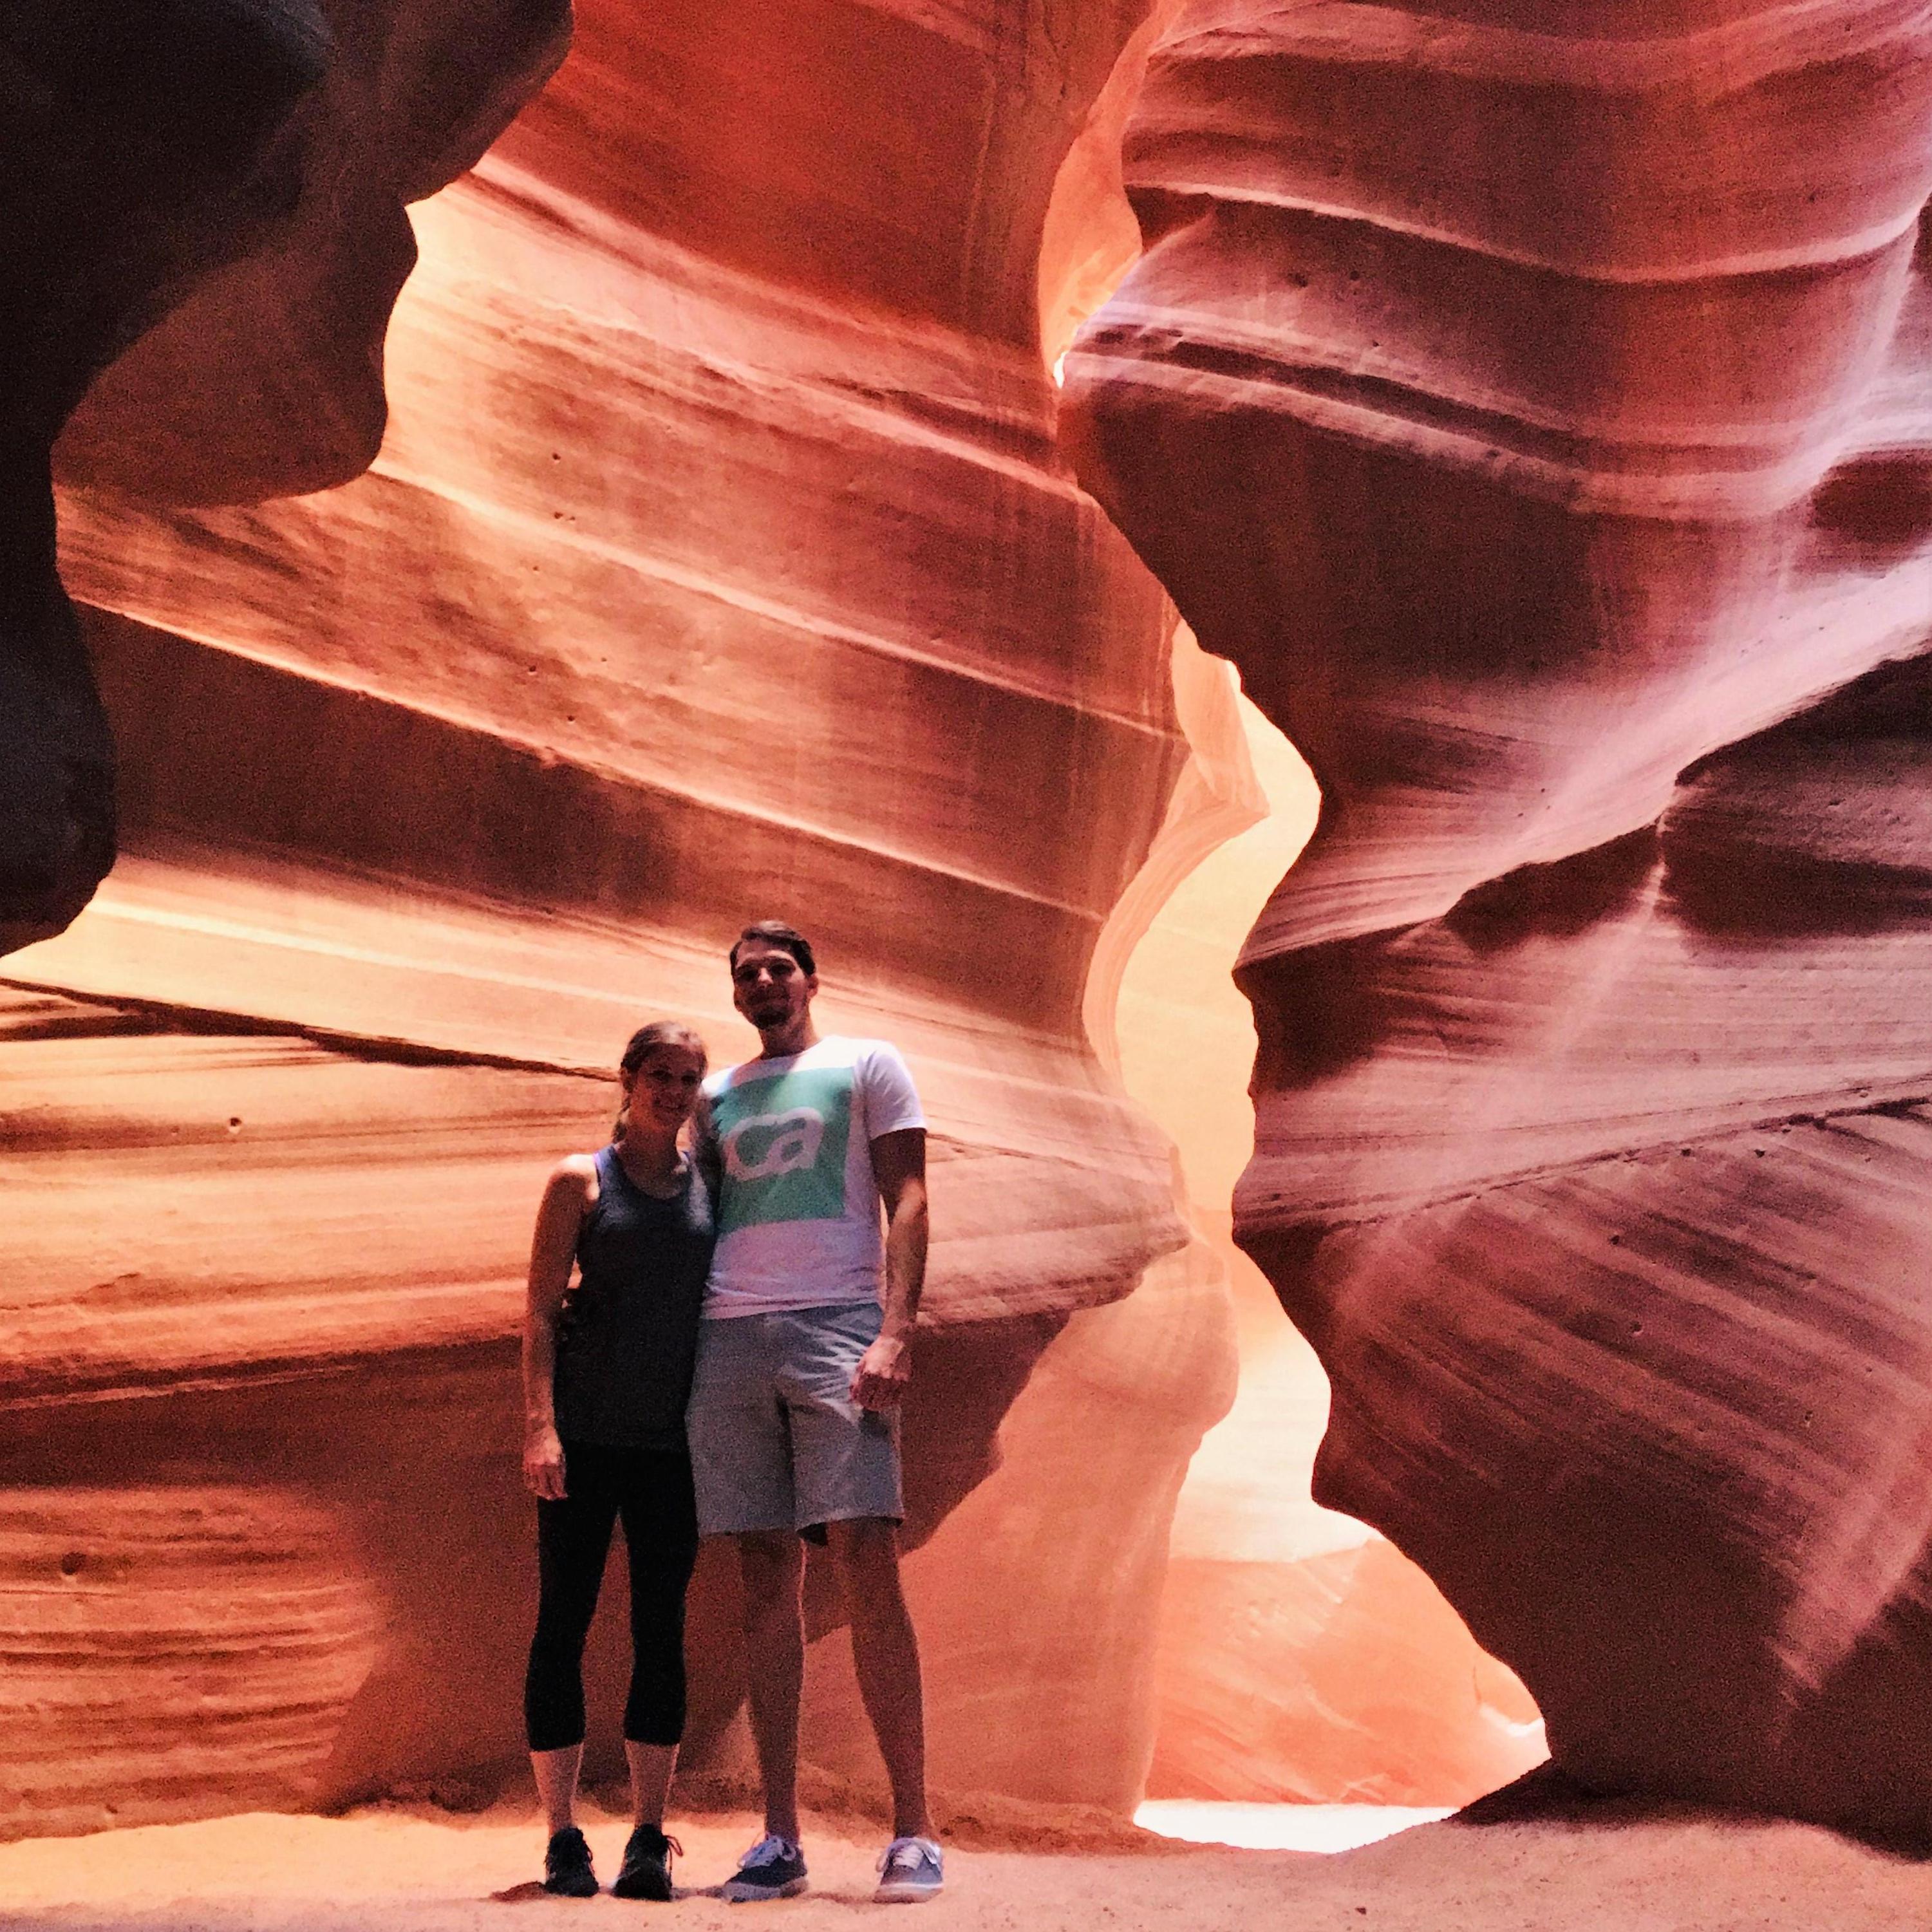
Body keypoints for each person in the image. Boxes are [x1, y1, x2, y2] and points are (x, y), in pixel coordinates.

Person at [687, 921, 943, 1906]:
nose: (762, 981)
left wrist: (895, 1329)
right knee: (763, 1578)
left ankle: (913, 1828)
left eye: (777, 967)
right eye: (746, 972)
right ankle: (779, 1836)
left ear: (809, 980)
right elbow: (701, 1217)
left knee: (866, 1559)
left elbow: (908, 1197)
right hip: (728, 1337)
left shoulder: (868, 1064)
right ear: (736, 992)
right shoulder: (715, 1094)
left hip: (838, 1326)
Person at [521, 1021, 713, 1901]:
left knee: (660, 1630)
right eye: (659, 1074)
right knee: (563, 1621)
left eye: (688, 1078)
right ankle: (562, 1837)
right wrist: (540, 1426)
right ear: (628, 1079)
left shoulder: (710, 1186)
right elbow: (538, 1312)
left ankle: (645, 1835)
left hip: (672, 1443)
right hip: (586, 1436)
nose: (672, 1090)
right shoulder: (581, 1180)